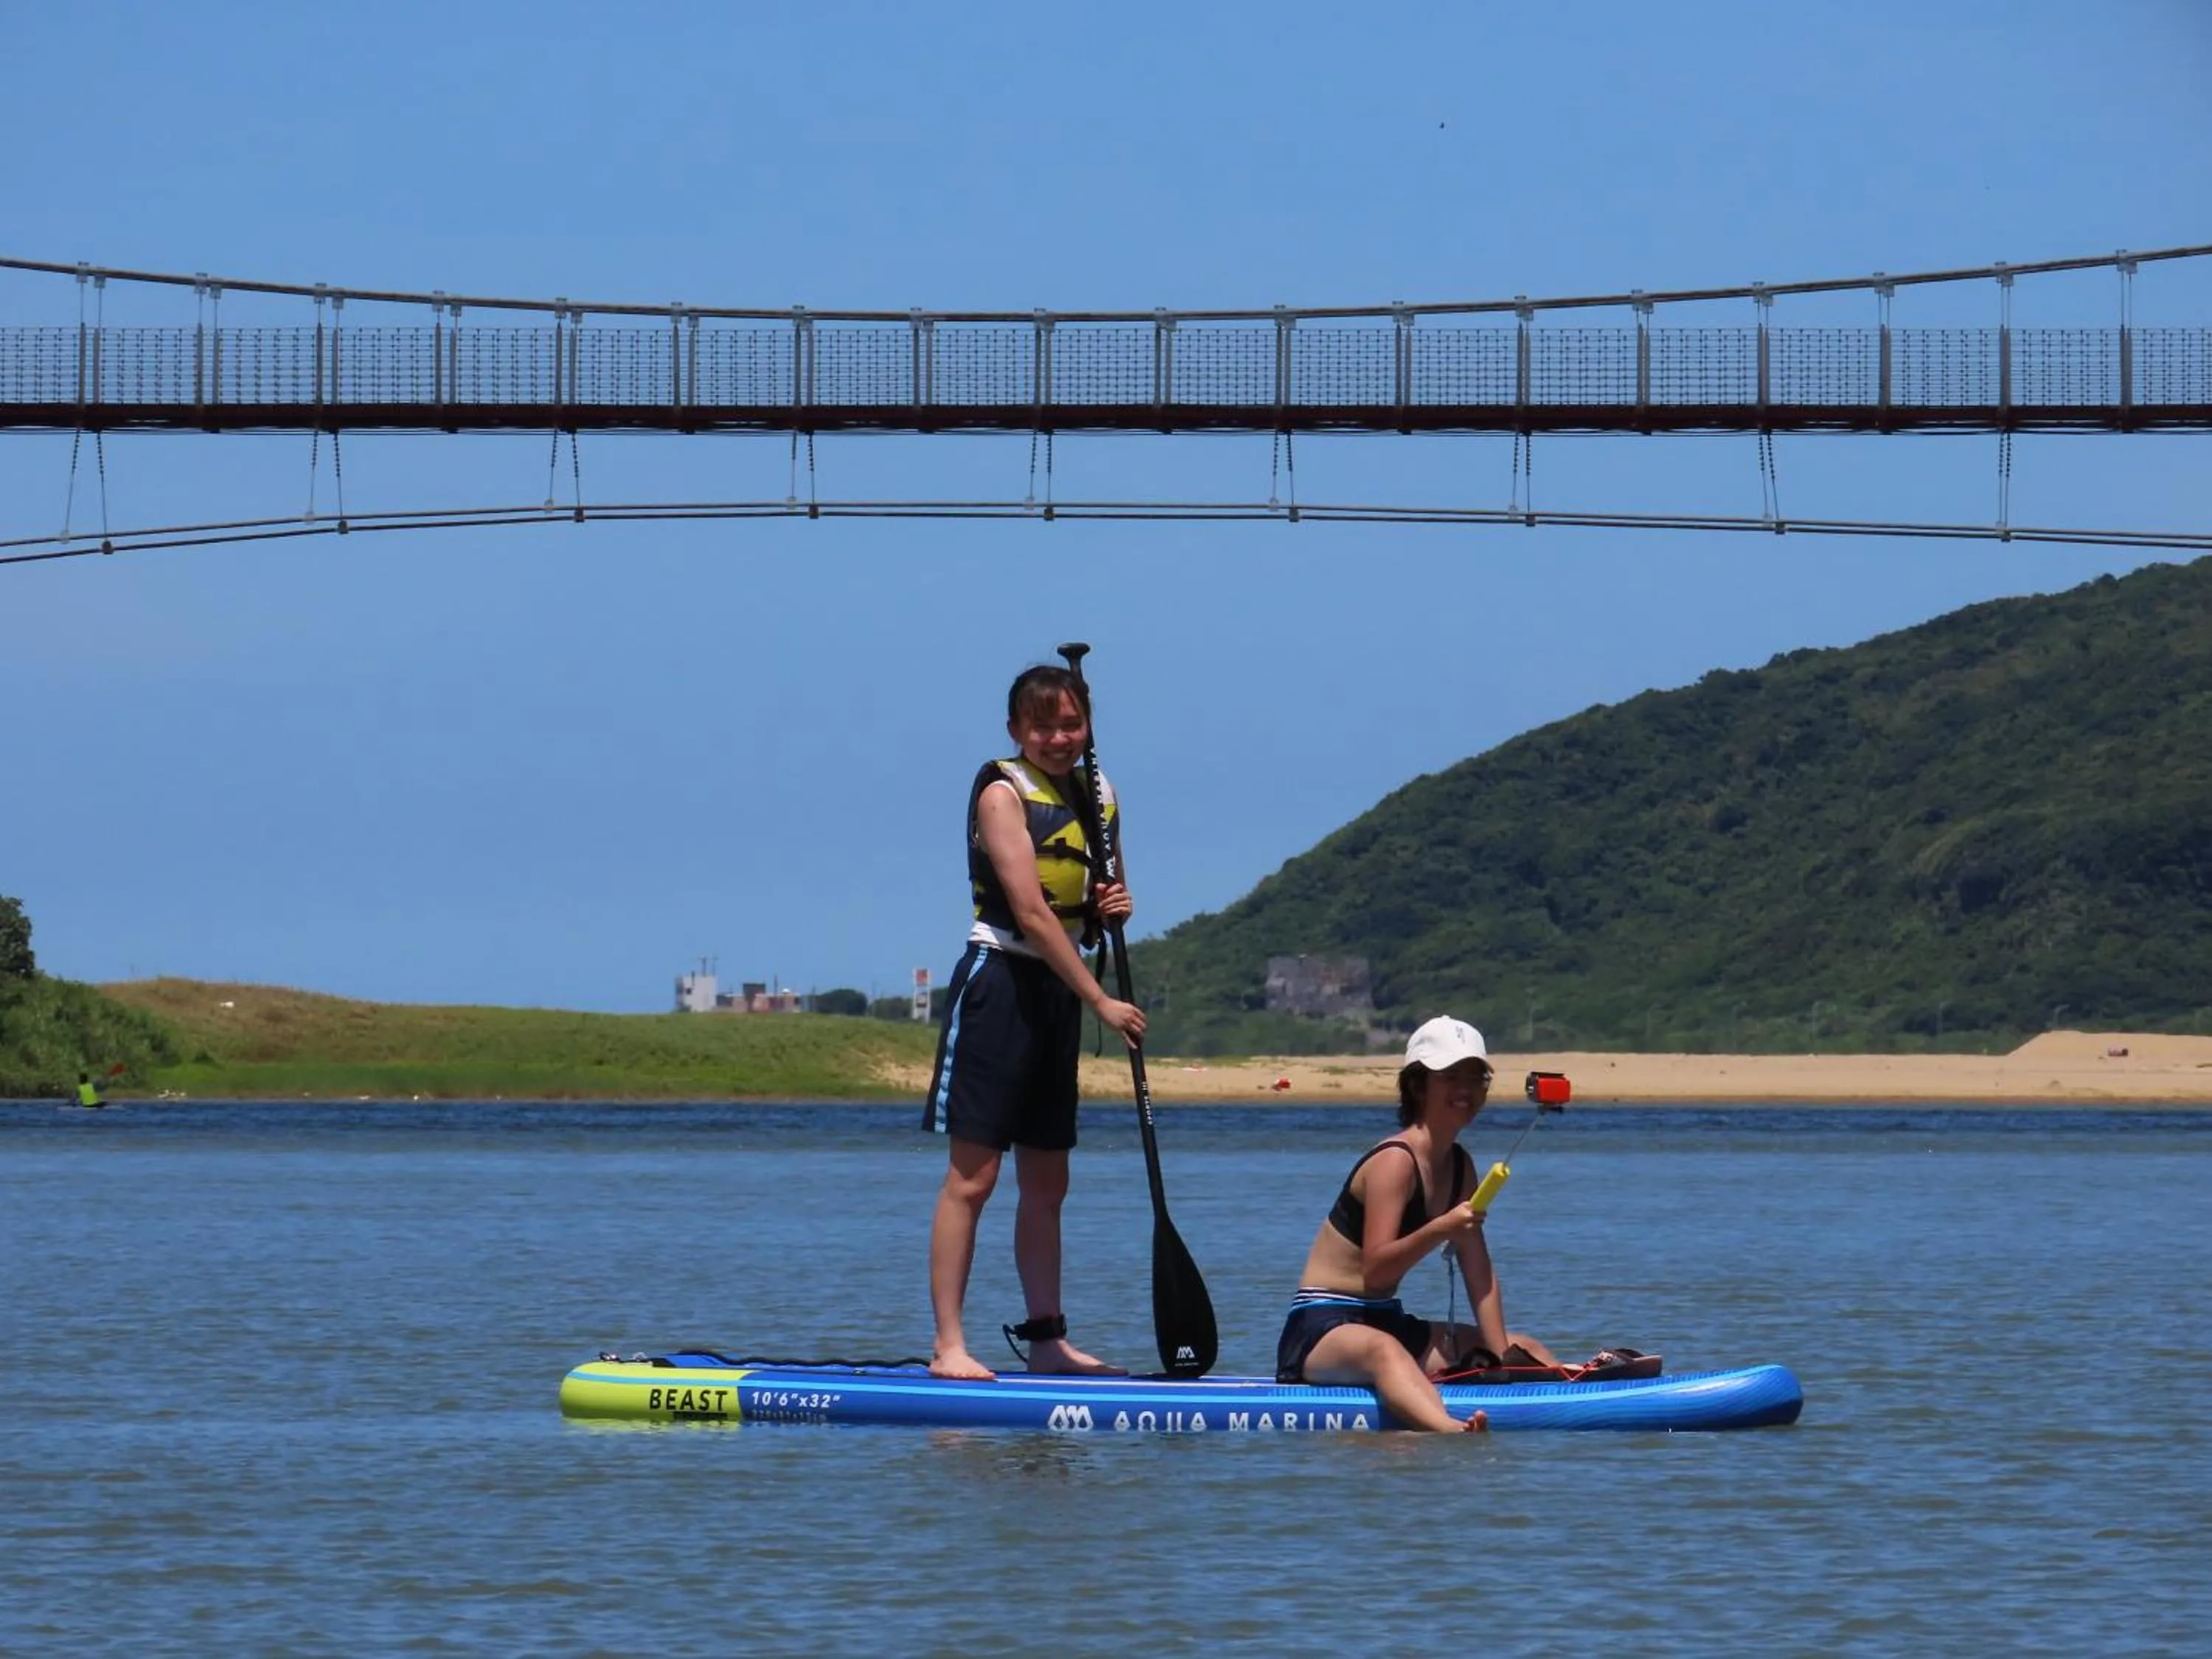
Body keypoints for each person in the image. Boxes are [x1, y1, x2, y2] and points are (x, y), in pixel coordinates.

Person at [921, 663, 1145, 1380]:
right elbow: (1031, 912)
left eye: (1071, 724)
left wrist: (1115, 906)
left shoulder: (1100, 792)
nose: (1058, 738)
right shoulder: (1002, 792)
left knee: (1048, 1182)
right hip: (1000, 984)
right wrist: (1100, 1001)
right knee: (975, 1178)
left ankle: (1047, 1339)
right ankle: (949, 1345)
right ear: (1016, 730)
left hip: (1056, 993)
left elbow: (1105, 893)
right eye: (1042, 726)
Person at [1275, 1016, 1560, 1431]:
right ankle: (1451, 1431)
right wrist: (1441, 1228)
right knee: (1385, 1351)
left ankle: (1572, 1407)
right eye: (1451, 1077)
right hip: (1323, 1327)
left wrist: (1502, 1357)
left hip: (1387, 1321)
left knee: (1526, 1346)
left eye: (1476, 1078)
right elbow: (1377, 1272)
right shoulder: (1395, 1161)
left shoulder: (1460, 1167)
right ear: (1418, 1085)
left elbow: (1479, 1274)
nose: (1466, 1090)